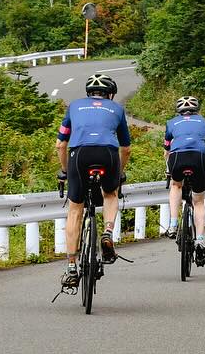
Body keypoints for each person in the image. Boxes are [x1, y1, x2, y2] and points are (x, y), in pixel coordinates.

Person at [56, 74, 131, 287]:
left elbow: (60, 144)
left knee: (75, 209)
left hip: (79, 155)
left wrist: (64, 170)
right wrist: (119, 173)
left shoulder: (74, 106)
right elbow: (125, 148)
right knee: (110, 193)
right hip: (107, 154)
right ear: (111, 94)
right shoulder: (116, 109)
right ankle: (107, 232)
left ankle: (71, 266)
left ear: (88, 93)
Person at [164, 95, 205, 262]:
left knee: (176, 186)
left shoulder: (171, 123)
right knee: (199, 202)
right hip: (199, 157)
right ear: (196, 109)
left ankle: (172, 224)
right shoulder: (203, 122)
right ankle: (200, 241)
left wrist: (168, 169)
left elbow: (167, 151)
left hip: (177, 157)